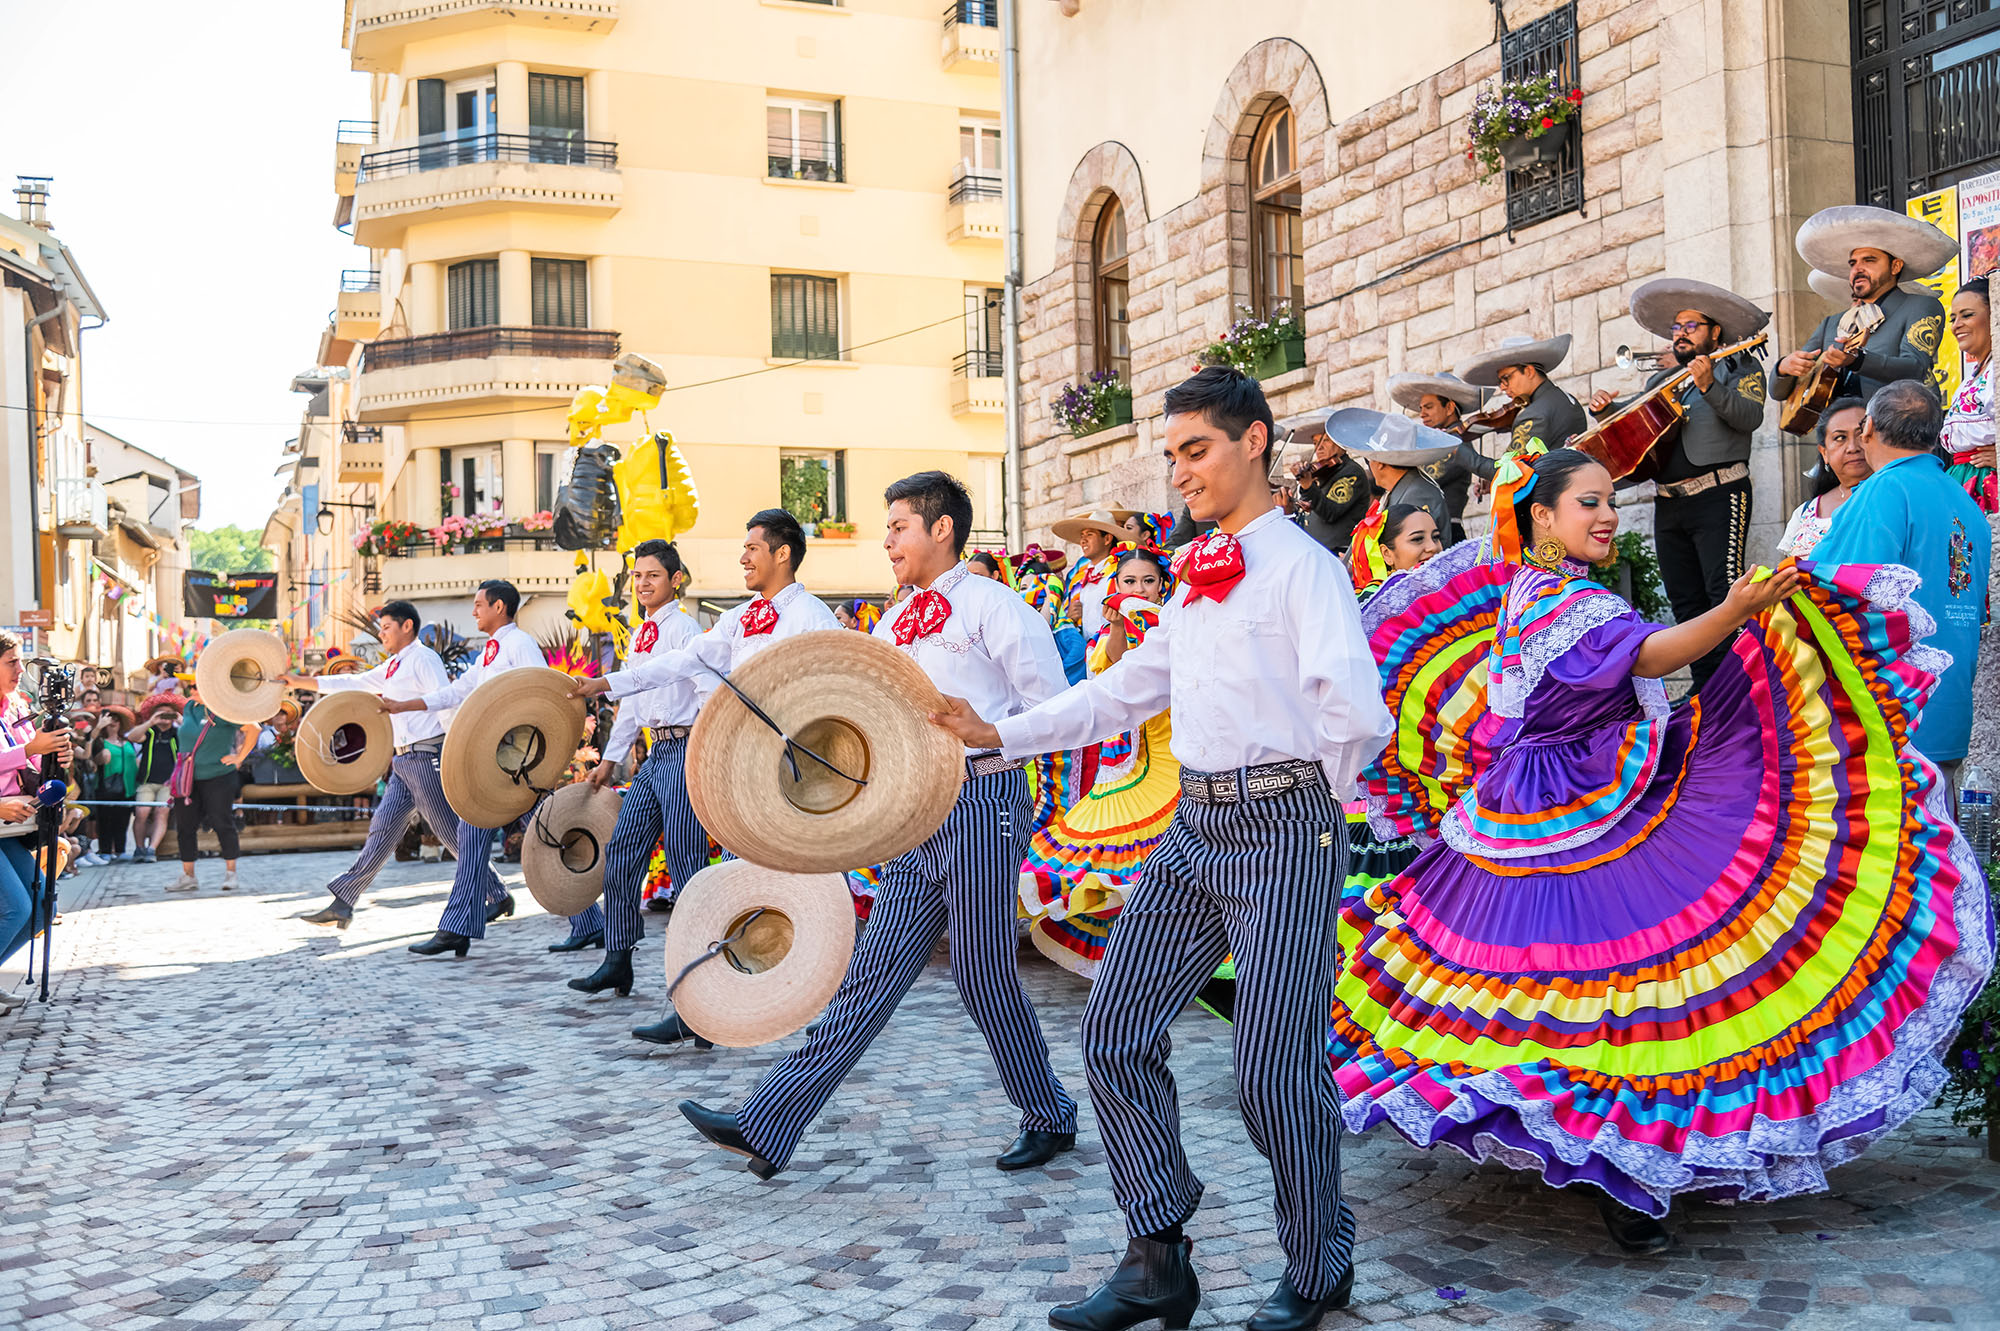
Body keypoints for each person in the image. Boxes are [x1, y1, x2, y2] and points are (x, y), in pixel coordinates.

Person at [1331, 444, 1996, 1255]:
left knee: (1582, 984)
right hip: (1563, 804)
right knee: (1601, 982)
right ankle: (1616, 1165)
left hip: (1573, 786)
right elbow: (1650, 655)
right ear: (1543, 516)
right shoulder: (1558, 600)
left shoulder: (1551, 587)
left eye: (1610, 499)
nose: (1607, 514)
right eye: (1588, 502)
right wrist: (1738, 609)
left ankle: (1620, 1160)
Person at [934, 367, 1393, 1331]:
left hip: (1284, 828)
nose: (1181, 472)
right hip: (1192, 824)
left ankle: (1319, 1261)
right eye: (1174, 452)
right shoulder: (1194, 575)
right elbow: (1125, 690)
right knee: (1115, 1030)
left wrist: (1316, 811)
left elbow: (1356, 713)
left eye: (1197, 449)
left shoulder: (1305, 567)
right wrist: (997, 735)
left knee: (1272, 1068)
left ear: (1255, 442)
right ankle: (1158, 1259)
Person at [678, 472, 1081, 1182]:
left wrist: (1015, 761)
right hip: (909, 814)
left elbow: (1055, 712)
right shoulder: (893, 624)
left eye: (898, 526)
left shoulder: (996, 607)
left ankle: (1048, 1113)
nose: (888, 540)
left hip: (984, 800)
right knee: (871, 975)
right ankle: (768, 1123)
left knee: (984, 974)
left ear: (941, 529)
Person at [572, 509, 838, 1043]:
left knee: (786, 885)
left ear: (782, 553)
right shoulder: (739, 619)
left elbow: (831, 691)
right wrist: (606, 682)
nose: (742, 556)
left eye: (751, 547)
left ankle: (812, 1005)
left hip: (789, 774)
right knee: (719, 883)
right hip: (739, 766)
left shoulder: (813, 616)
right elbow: (681, 664)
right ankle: (701, 1005)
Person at [282, 600, 511, 931]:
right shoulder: (393, 666)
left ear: (407, 626)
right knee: (383, 829)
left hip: (426, 754)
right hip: (404, 760)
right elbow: (352, 683)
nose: (381, 633)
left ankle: (496, 892)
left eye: (386, 627)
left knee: (448, 830)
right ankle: (343, 901)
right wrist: (298, 681)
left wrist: (457, 750)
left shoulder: (424, 659)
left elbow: (444, 701)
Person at [1810, 380, 1992, 796]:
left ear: (1868, 427)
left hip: (1891, 711)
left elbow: (1834, 590)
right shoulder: (1965, 501)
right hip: (1947, 709)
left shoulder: (1882, 491)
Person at [1587, 278, 1770, 691]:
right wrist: (1606, 412)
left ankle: (1739, 689)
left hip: (1719, 494)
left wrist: (1708, 385)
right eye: (1676, 327)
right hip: (1669, 502)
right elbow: (1638, 429)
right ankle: (1706, 690)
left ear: (1715, 332)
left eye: (1692, 326)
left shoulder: (1739, 366)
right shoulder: (1662, 380)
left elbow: (1749, 418)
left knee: (1724, 595)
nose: (1681, 333)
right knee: (1685, 602)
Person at [1020, 545, 1180, 978]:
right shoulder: (1112, 636)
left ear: (1163, 586)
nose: (1139, 588)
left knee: (1153, 862)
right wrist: (1120, 620)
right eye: (1129, 582)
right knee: (1095, 849)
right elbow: (1114, 669)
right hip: (1129, 762)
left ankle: (1169, 957)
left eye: (1148, 581)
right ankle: (1129, 962)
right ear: (1117, 586)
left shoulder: (1179, 625)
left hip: (1176, 762)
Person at [562, 540, 707, 1004]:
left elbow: (706, 693)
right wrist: (609, 760)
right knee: (622, 852)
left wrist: (709, 753)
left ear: (675, 580)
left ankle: (698, 980)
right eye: (638, 576)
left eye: (654, 576)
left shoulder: (687, 629)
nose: (643, 584)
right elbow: (633, 705)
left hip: (687, 751)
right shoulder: (642, 633)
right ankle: (617, 959)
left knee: (687, 866)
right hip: (653, 757)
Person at [379, 579, 546, 957]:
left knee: (546, 834)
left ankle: (589, 922)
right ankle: (459, 927)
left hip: (518, 758)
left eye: (478, 605)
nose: (473, 611)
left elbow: (541, 691)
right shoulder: (490, 651)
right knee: (474, 833)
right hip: (497, 756)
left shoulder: (520, 645)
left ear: (499, 607)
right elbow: (456, 692)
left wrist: (532, 752)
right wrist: (406, 706)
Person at [1775, 205, 1953, 407]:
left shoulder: (1920, 306)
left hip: (1897, 425)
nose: (1857, 269)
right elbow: (1778, 392)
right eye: (1853, 263)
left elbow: (1914, 368)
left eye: (1869, 260)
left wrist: (1857, 360)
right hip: (1839, 431)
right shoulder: (1831, 324)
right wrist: (1784, 368)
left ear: (1895, 266)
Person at [0, 633, 74, 1007]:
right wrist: (30, 748)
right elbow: (23, 751)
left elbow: (31, 762)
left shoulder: (15, 707)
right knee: (18, 908)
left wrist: (57, 756)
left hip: (13, 826)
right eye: (11, 662)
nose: (20, 669)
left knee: (45, 907)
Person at [1323, 408, 1455, 588]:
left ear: (1380, 463)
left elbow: (1416, 554)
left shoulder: (1417, 493)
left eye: (1368, 461)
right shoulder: (1400, 489)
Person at [167, 682, 258, 893]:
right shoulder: (190, 707)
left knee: (222, 822)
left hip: (218, 776)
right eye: (190, 686)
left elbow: (253, 728)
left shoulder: (224, 710)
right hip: (188, 778)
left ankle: (231, 874)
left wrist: (240, 757)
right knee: (185, 826)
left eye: (197, 686)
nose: (192, 690)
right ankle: (188, 876)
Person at [1387, 371, 1490, 541]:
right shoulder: (1443, 442)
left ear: (1449, 408)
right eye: (1421, 409)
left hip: (1444, 533)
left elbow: (1422, 478)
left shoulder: (1453, 443)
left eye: (1428, 407)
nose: (1422, 414)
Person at [1456, 333, 1588, 452]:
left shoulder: (1534, 414)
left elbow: (1509, 472)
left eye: (1506, 378)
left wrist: (1460, 452)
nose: (1502, 387)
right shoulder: (1564, 397)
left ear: (1529, 371)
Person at [1777, 397, 1870, 558]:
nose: (1853, 448)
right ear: (1824, 453)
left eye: (1861, 434)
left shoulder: (1892, 498)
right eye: (1840, 438)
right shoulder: (1805, 512)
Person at [1280, 418, 1372, 556]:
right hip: (1316, 552)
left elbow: (1330, 512)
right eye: (1316, 443)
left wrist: (1308, 485)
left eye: (1326, 441)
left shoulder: (1351, 472)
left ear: (1340, 444)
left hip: (1337, 553)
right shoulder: (1319, 473)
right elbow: (1308, 507)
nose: (1319, 447)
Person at [1943, 277, 1994, 514]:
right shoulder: (1975, 374)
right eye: (1953, 318)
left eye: (1967, 315)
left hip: (1988, 485)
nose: (1956, 325)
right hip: (1962, 482)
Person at [1052, 510, 1126, 640]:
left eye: (1089, 535)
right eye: (1082, 535)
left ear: (1107, 539)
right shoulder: (1081, 578)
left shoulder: (1120, 573)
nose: (1083, 541)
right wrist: (1071, 616)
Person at [129, 695, 179, 863]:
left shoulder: (177, 733)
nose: (164, 716)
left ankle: (152, 849)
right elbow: (133, 737)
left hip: (169, 783)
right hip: (147, 782)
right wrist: (151, 722)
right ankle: (139, 848)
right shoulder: (149, 732)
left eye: (169, 714)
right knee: (141, 813)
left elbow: (192, 742)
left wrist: (180, 720)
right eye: (161, 713)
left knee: (161, 813)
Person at [88, 711, 137, 862]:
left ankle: (121, 850)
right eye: (110, 719)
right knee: (105, 821)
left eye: (116, 719)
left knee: (122, 821)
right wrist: (99, 726)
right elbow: (90, 746)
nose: (113, 722)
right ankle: (106, 850)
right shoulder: (100, 741)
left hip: (127, 786)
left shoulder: (127, 742)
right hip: (106, 786)